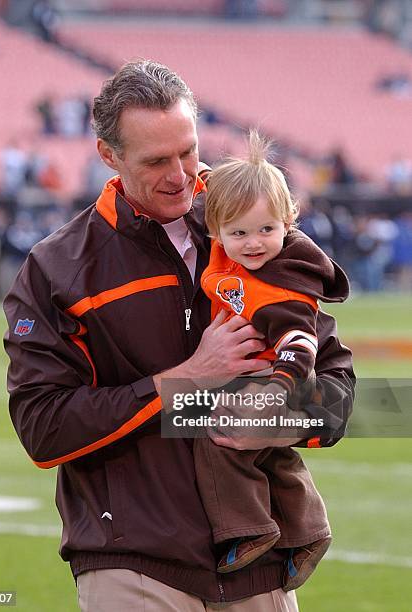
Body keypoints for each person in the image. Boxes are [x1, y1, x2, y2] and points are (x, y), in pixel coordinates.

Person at [3, 60, 354, 611]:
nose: (182, 175)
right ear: (108, 156)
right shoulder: (57, 268)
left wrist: (270, 420)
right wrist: (184, 382)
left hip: (259, 567)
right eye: (157, 160)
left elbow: (341, 397)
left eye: (188, 151)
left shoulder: (254, 229)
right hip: (132, 565)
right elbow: (43, 429)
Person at [193, 131, 349, 587]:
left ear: (288, 222)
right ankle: (309, 530)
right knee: (273, 455)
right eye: (238, 233)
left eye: (266, 230)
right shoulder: (229, 249)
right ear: (215, 232)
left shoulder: (280, 284)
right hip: (264, 371)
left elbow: (301, 341)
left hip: (279, 377)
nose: (254, 243)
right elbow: (215, 197)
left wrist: (277, 387)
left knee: (216, 435)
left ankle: (250, 528)